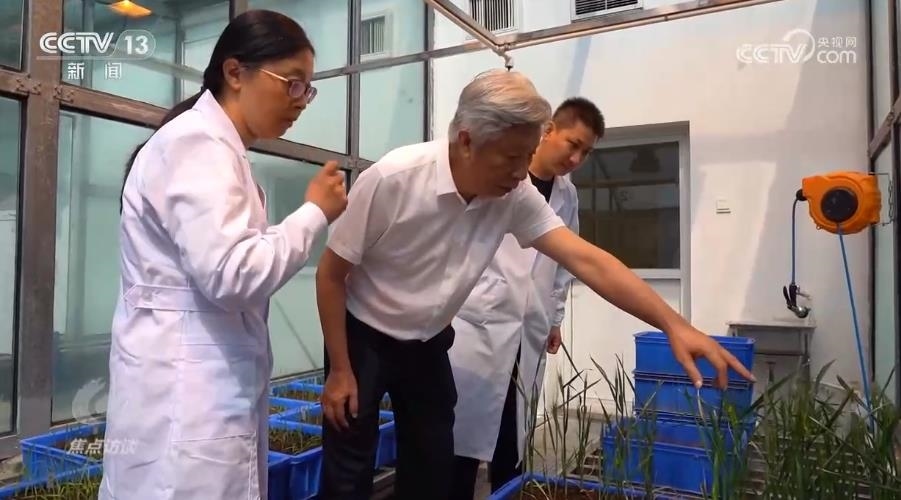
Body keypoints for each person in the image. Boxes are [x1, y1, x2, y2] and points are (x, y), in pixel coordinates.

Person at [315, 68, 753, 500]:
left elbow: (587, 260)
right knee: (349, 470)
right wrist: (339, 370)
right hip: (364, 335)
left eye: (527, 156)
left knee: (432, 467)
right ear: (466, 140)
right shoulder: (395, 177)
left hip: (428, 341)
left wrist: (674, 325)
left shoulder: (514, 192)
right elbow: (331, 275)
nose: (521, 171)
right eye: (511, 157)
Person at [101, 10, 347, 500]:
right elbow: (233, 275)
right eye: (292, 84)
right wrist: (313, 213)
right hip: (187, 400)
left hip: (194, 392)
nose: (301, 101)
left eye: (308, 89)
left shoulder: (215, 148)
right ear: (235, 72)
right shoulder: (197, 144)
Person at [448, 97, 605, 498]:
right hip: (481, 321)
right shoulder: (501, 176)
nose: (576, 158)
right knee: (463, 439)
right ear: (549, 129)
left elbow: (564, 263)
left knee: (513, 436)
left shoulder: (567, 195)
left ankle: (506, 490)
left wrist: (555, 318)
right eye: (573, 144)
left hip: (529, 325)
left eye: (586, 152)